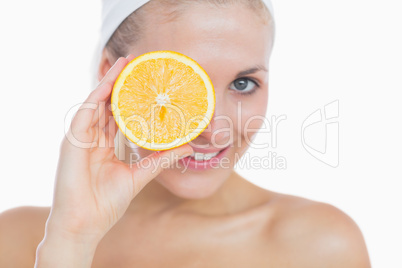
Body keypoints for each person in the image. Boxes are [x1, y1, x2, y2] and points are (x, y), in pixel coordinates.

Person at [0, 0, 371, 267]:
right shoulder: (15, 242)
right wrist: (71, 242)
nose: (212, 130)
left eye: (243, 83)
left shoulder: (320, 246)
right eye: (176, 87)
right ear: (110, 77)